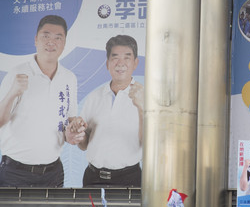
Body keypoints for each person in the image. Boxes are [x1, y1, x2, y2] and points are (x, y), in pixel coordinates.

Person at [0, 15, 81, 187]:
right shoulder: (17, 73)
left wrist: (74, 131)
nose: (51, 42)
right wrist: (12, 93)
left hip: (53, 172)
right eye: (46, 36)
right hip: (15, 173)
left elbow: (70, 119)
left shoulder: (69, 78)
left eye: (58, 37)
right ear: (36, 40)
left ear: (64, 43)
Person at [73, 35, 143, 187]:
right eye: (115, 57)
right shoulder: (93, 97)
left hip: (129, 179)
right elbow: (83, 145)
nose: (121, 63)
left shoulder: (145, 97)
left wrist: (142, 108)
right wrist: (78, 133)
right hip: (93, 178)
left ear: (135, 63)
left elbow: (148, 144)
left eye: (127, 57)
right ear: (107, 64)